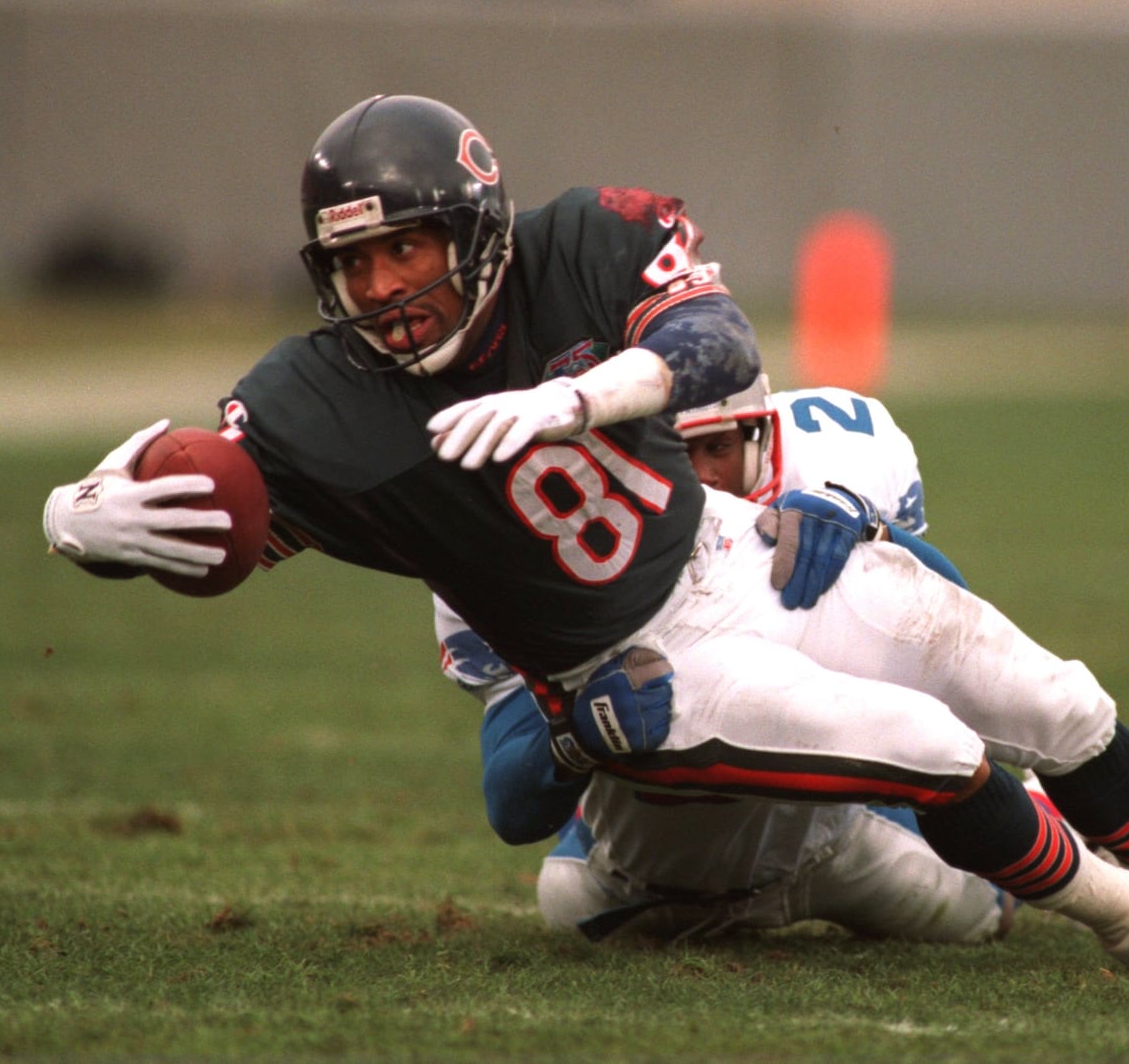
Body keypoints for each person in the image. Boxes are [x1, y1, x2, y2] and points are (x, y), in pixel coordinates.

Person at [41, 94, 1129, 979]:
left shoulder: (583, 238)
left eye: (404, 248)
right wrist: (88, 514)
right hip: (627, 672)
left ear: (473, 230)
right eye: (353, 262)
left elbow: (712, 343)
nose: (383, 287)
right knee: (933, 749)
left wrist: (580, 393)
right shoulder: (313, 398)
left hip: (718, 547)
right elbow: (222, 505)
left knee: (1044, 689)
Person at [439, 372, 1049, 942]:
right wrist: (577, 739)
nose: (701, 482)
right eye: (673, 453)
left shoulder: (827, 475)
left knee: (987, 898)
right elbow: (513, 807)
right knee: (566, 899)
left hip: (837, 846)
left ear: (761, 438)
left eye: (718, 448)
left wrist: (879, 538)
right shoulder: (557, 545)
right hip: (629, 877)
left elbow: (953, 638)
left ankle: (1051, 805)